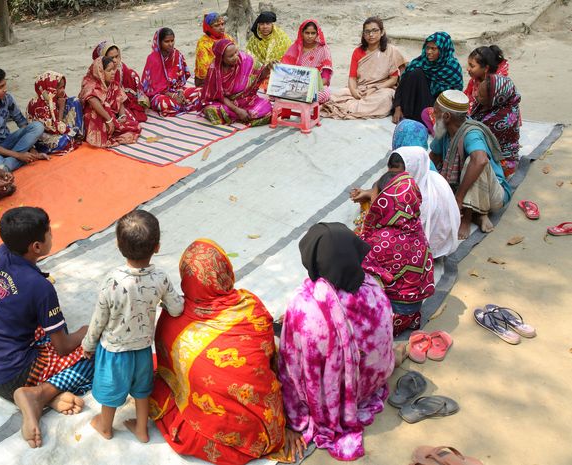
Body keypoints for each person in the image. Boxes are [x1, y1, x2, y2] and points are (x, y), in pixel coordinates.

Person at [151, 239, 291, 465]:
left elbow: (169, 370)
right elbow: (268, 360)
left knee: (160, 385)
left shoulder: (170, 319)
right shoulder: (250, 308)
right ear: (225, 271)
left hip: (210, 434)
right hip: (264, 427)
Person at [0, 207, 91, 449]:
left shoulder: (1, 252)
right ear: (36, 247)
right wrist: (85, 332)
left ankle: (47, 396)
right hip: (14, 376)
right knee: (99, 350)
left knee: (48, 323)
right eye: (49, 232)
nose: (52, 235)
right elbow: (62, 347)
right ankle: (41, 394)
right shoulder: (41, 288)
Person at [278, 222, 394, 461]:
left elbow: (293, 368)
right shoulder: (373, 289)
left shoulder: (304, 308)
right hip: (370, 386)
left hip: (338, 399)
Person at [82, 210, 183, 442]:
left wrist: (88, 344)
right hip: (143, 349)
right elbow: (176, 308)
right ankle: (141, 429)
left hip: (114, 352)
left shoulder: (112, 281)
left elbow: (99, 320)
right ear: (157, 247)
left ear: (118, 244)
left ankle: (105, 426)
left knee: (111, 393)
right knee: (141, 390)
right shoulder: (160, 278)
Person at [358, 170, 435, 335]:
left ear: (384, 201)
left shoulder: (380, 241)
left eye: (374, 196)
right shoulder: (414, 225)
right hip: (412, 311)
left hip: (393, 316)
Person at [429, 90, 512, 239]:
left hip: (493, 193)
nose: (433, 116)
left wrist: (458, 198)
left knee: (475, 163)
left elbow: (481, 160)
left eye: (435, 112)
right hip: (463, 188)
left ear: (446, 116)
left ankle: (467, 218)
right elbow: (433, 158)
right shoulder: (444, 131)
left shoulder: (471, 133)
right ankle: (478, 214)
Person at [322, 17, 406, 120]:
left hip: (382, 88)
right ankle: (356, 107)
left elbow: (393, 79)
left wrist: (375, 89)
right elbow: (352, 77)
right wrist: (354, 91)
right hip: (361, 88)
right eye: (367, 31)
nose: (371, 35)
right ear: (363, 34)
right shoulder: (358, 51)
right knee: (335, 95)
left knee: (384, 98)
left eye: (375, 30)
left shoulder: (391, 51)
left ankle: (349, 108)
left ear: (382, 32)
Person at [0, 66, 47, 172]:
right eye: (1, 87)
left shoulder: (7, 98)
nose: (5, 89)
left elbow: (22, 122)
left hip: (7, 141)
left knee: (37, 126)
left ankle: (9, 164)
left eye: (5, 85)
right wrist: (19, 155)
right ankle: (10, 163)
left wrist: (32, 149)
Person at [393, 148, 461, 258]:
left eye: (398, 174)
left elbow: (413, 226)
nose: (394, 179)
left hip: (430, 242)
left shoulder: (425, 195)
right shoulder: (426, 176)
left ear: (412, 169)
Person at [392, 32, 463, 125]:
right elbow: (402, 87)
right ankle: (407, 114)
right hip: (413, 109)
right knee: (415, 73)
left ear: (443, 50)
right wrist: (397, 107)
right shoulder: (420, 62)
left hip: (437, 112)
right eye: (427, 48)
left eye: (433, 49)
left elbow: (455, 98)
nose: (429, 52)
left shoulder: (452, 68)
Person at [201, 39, 273, 126]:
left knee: (266, 107)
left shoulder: (246, 60)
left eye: (236, 52)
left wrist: (268, 68)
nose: (236, 57)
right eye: (231, 56)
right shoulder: (214, 71)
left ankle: (239, 116)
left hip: (245, 100)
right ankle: (242, 116)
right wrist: (237, 110)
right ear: (221, 58)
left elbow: (260, 76)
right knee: (211, 110)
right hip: (226, 103)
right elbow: (219, 96)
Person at [79, 56, 142, 148]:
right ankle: (104, 134)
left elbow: (119, 99)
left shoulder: (113, 84)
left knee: (135, 125)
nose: (113, 73)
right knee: (104, 106)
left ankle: (113, 128)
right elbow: (92, 100)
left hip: (111, 117)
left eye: (114, 69)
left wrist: (122, 116)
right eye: (109, 70)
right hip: (96, 118)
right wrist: (108, 119)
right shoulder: (90, 84)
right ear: (100, 72)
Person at [141, 28, 203, 116]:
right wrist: (172, 96)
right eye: (166, 41)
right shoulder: (153, 59)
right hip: (159, 95)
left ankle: (182, 103)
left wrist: (180, 92)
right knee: (164, 104)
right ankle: (184, 104)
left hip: (176, 90)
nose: (170, 44)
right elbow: (153, 88)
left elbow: (181, 80)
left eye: (172, 40)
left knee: (202, 92)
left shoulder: (177, 55)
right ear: (159, 42)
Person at [469, 74, 521, 178]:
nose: (475, 95)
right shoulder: (494, 104)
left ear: (495, 99)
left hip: (501, 160)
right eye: (478, 91)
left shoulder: (499, 120)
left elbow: (477, 139)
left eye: (481, 95)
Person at [25, 71, 84, 155]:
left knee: (74, 101)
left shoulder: (55, 97)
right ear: (49, 89)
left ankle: (76, 133)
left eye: (63, 87)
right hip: (46, 135)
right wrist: (61, 108)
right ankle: (72, 136)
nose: (63, 90)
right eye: (59, 88)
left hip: (59, 127)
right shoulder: (39, 106)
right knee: (63, 142)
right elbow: (57, 130)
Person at [92, 42, 149, 123]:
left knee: (133, 74)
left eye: (116, 56)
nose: (115, 60)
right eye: (111, 57)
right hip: (105, 101)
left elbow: (121, 89)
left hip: (121, 98)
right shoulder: (98, 72)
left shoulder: (121, 67)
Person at [282, 19, 334, 104]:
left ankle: (299, 98)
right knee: (275, 91)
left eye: (313, 33)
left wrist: (309, 86)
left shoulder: (323, 49)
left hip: (315, 86)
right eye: (307, 33)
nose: (310, 36)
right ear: (302, 33)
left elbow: (325, 77)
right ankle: (301, 98)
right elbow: (285, 69)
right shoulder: (295, 47)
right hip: (294, 84)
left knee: (324, 93)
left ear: (317, 34)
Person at [464, 45, 509, 113]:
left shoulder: (495, 87)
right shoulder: (474, 80)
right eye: (468, 64)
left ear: (486, 68)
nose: (467, 69)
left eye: (472, 66)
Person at [195, 13, 234, 87]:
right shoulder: (203, 43)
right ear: (208, 28)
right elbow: (204, 71)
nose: (221, 27)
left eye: (222, 24)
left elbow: (236, 55)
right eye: (216, 25)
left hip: (227, 76)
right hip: (209, 80)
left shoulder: (227, 38)